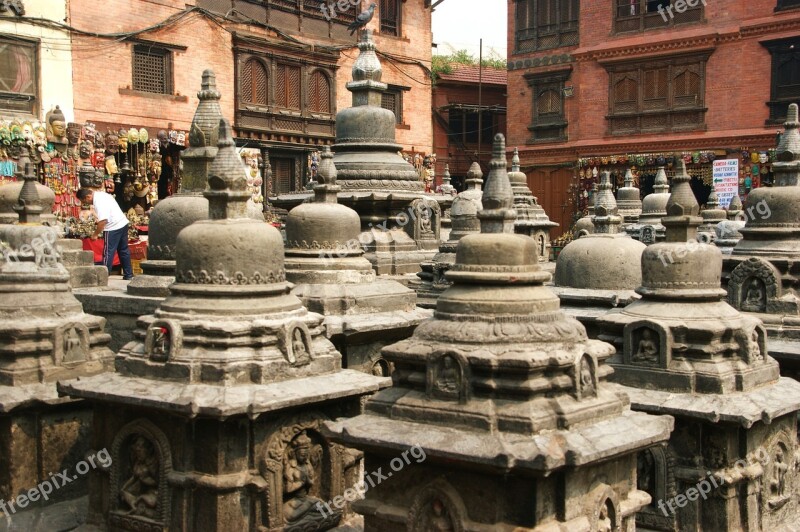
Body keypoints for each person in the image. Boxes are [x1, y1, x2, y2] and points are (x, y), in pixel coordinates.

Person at [77, 187, 134, 280]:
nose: (85, 204)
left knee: (108, 252)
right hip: (122, 223)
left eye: (84, 201)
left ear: (88, 197)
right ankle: (129, 274)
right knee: (123, 250)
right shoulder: (102, 194)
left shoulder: (98, 201)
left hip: (113, 227)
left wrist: (95, 234)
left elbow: (103, 221)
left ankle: (104, 275)